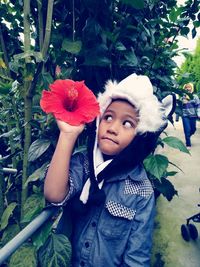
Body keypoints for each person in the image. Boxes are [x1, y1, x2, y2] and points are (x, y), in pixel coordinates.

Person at [44, 73, 174, 267]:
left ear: (140, 136)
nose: (112, 128)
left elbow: (137, 257)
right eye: (108, 117)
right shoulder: (85, 165)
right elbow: (54, 195)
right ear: (98, 122)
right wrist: (68, 135)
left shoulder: (142, 191)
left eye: (127, 123)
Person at [181, 83, 199, 148]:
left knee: (193, 129)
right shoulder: (182, 96)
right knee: (187, 130)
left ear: (192, 88)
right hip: (185, 116)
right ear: (184, 88)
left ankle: (188, 136)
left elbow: (198, 105)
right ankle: (188, 144)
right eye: (186, 87)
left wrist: (199, 114)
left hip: (193, 116)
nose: (187, 88)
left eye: (189, 87)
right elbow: (179, 106)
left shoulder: (195, 96)